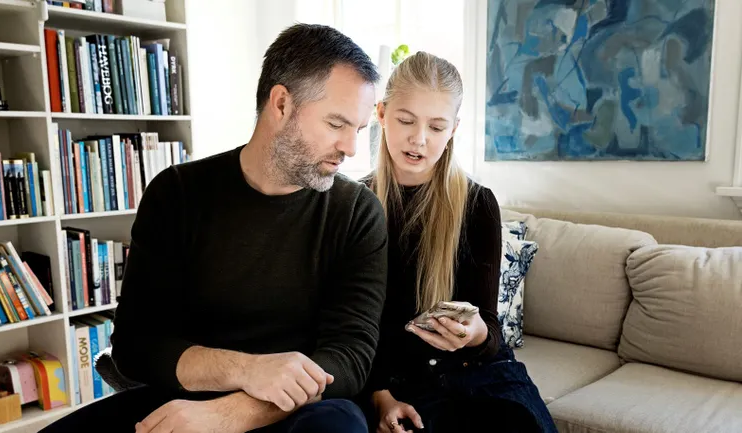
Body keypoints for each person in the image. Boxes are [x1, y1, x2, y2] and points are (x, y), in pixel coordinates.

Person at [40, 23, 388, 433]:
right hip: (184, 400)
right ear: (281, 104)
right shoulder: (177, 194)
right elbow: (136, 346)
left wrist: (230, 415)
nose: (350, 148)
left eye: (357, 130)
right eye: (336, 124)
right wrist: (247, 371)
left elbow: (349, 359)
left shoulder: (357, 212)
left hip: (303, 412)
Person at [360, 52, 557, 433]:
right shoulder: (354, 204)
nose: (419, 139)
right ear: (381, 114)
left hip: (482, 374)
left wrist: (473, 333)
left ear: (453, 129)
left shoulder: (477, 203)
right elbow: (348, 328)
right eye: (406, 120)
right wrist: (379, 396)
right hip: (398, 386)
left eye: (436, 127)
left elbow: (490, 333)